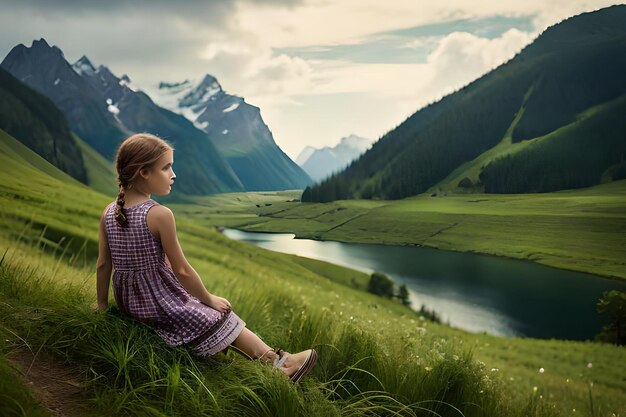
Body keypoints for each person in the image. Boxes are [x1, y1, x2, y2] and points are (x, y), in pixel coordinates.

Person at [95, 133, 317, 382]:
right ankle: (281, 365)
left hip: (130, 303)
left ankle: (263, 361)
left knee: (200, 308)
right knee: (219, 314)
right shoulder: (159, 214)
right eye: (166, 167)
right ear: (143, 172)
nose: (173, 174)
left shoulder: (109, 212)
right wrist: (208, 299)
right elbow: (182, 271)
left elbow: (104, 265)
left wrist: (102, 304)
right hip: (157, 302)